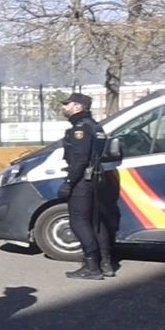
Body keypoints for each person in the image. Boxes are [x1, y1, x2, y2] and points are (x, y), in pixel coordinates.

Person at [58, 92, 115, 280]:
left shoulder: (80, 129)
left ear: (78, 107)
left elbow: (79, 160)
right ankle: (106, 263)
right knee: (96, 221)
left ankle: (91, 267)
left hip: (83, 180)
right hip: (99, 178)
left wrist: (68, 183)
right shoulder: (96, 127)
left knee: (79, 221)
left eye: (67, 104)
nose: (64, 107)